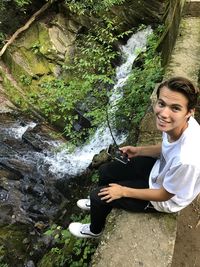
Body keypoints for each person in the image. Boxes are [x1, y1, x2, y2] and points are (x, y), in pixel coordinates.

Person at [69, 76, 200, 238]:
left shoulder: (188, 159)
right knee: (105, 171)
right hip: (160, 171)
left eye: (175, 108)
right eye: (161, 104)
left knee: (98, 197)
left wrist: (123, 191)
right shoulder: (182, 125)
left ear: (189, 112)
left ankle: (94, 230)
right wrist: (138, 151)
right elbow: (168, 148)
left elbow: (166, 194)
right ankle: (101, 202)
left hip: (164, 199)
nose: (164, 113)